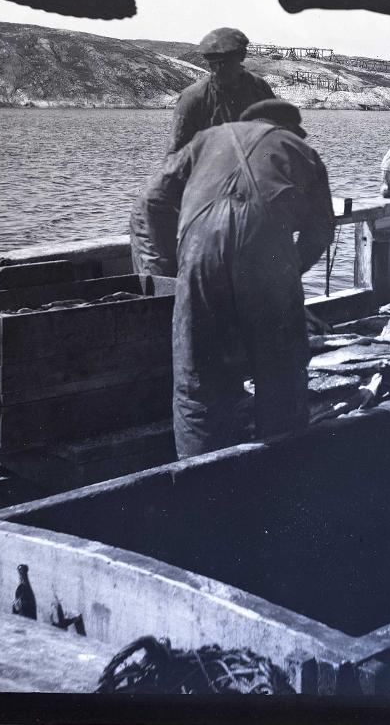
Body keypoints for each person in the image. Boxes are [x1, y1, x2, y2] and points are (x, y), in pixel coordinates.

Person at [136, 98, 334, 458]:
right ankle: (282, 470)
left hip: (198, 256)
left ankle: (200, 474)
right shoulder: (301, 149)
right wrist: (288, 271)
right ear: (287, 127)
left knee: (197, 382)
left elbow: (150, 203)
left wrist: (175, 269)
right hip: (266, 259)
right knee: (282, 376)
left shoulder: (204, 140)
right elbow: (321, 230)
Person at [169, 27, 277, 154]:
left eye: (225, 63)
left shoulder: (259, 88)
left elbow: (278, 131)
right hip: (210, 162)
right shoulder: (193, 97)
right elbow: (175, 153)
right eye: (213, 64)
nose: (218, 70)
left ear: (241, 57)